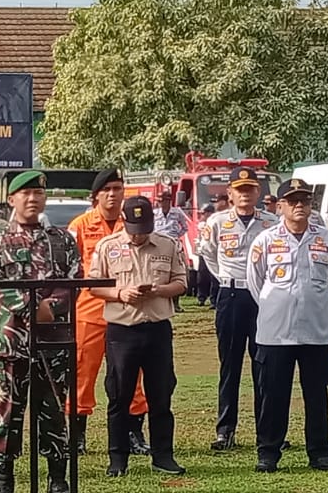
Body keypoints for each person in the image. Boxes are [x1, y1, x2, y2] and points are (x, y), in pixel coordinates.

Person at [0, 170, 79, 493]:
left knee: (52, 408)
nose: (32, 199)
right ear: (12, 199)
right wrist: (34, 310)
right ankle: (4, 480)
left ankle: (57, 480)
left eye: (38, 193)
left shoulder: (61, 239)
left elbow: (73, 281)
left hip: (54, 340)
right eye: (25, 194)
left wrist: (51, 308)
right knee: (9, 410)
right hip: (12, 341)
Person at [88, 196, 187, 477]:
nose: (139, 235)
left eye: (144, 228)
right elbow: (94, 286)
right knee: (119, 396)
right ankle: (117, 459)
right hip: (122, 331)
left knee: (161, 395)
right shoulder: (108, 246)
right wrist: (120, 294)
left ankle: (163, 456)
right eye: (134, 229)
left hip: (157, 329)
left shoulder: (168, 245)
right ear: (125, 222)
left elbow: (182, 283)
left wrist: (159, 290)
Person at [248, 179, 328, 472]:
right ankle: (268, 453)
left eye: (304, 199)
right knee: (273, 395)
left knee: (317, 395)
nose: (299, 205)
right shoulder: (264, 240)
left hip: (315, 331)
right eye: (292, 200)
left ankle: (319, 453)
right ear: (280, 206)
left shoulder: (326, 239)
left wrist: (309, 302)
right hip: (275, 332)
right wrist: (282, 303)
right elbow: (256, 283)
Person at [66, 170, 150, 456]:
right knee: (81, 374)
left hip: (127, 312)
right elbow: (70, 270)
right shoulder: (79, 225)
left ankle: (134, 433)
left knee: (132, 375)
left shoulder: (133, 223)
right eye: (107, 190)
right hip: (89, 312)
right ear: (96, 195)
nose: (113, 194)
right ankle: (77, 435)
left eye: (118, 188)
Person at [199, 167, 279, 451]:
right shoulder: (217, 222)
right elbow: (207, 253)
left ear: (258, 192)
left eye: (250, 189)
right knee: (230, 365)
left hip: (262, 298)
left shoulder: (272, 222)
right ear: (230, 193)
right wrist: (225, 277)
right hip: (230, 294)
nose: (245, 195)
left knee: (264, 365)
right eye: (239, 190)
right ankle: (225, 430)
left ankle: (267, 431)